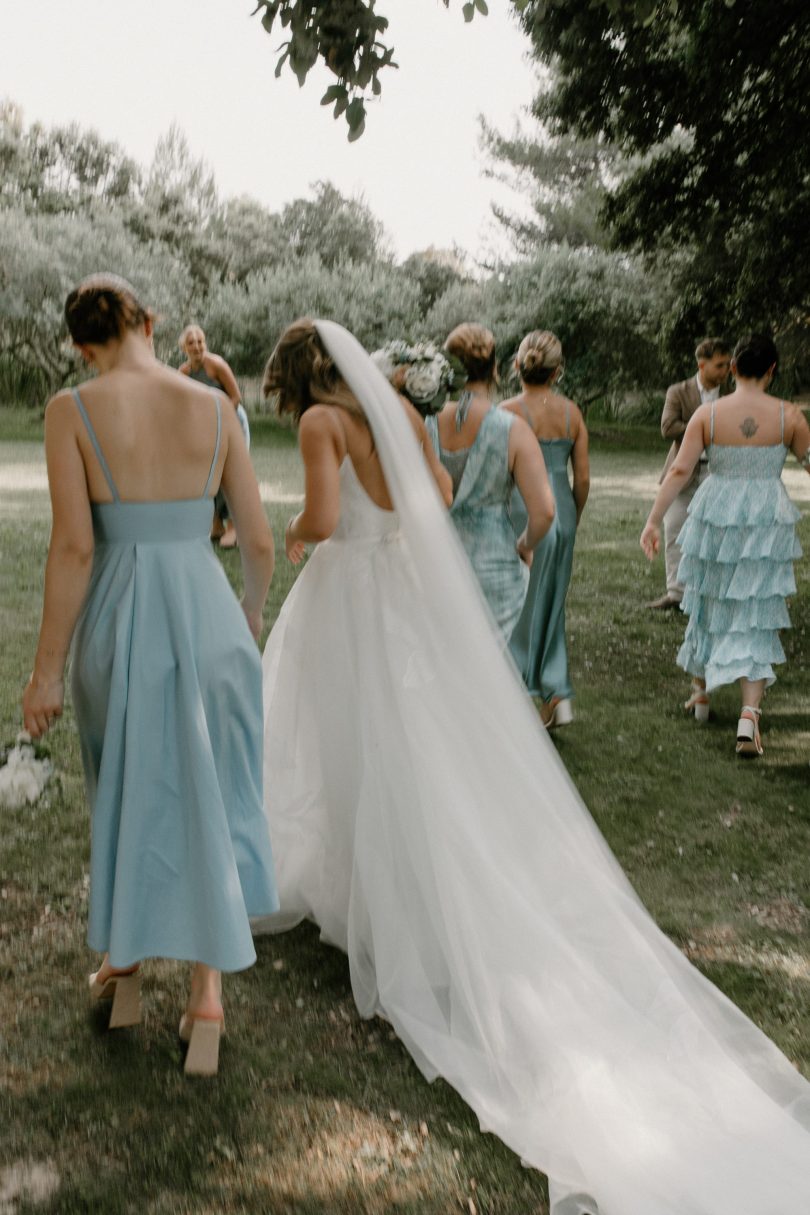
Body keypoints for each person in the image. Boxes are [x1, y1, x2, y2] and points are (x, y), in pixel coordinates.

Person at [257, 318, 810, 1215]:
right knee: (411, 745)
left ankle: (379, 898)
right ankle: (390, 887)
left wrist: (297, 533)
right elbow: (433, 492)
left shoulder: (323, 424)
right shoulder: (399, 406)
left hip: (352, 590)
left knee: (345, 742)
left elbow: (323, 517)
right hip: (401, 586)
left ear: (295, 378)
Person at [22, 275, 279, 1075]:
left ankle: (125, 966)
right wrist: (251, 613)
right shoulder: (214, 405)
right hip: (207, 614)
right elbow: (259, 537)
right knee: (214, 791)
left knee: (130, 787)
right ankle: (207, 998)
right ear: (149, 321)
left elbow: (73, 548)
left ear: (80, 343)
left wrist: (45, 675)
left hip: (122, 619)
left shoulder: (73, 409)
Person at [641, 332, 808, 756]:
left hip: (715, 510)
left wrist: (654, 519)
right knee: (753, 610)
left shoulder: (708, 415)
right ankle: (749, 716)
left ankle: (700, 693)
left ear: (732, 368)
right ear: (772, 371)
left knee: (707, 597)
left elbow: (679, 471)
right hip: (765, 518)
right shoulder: (790, 415)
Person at [424, 323, 554, 638]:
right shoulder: (512, 429)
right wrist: (525, 545)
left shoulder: (423, 423)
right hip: (492, 570)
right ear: (495, 367)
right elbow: (545, 513)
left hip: (432, 564)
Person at [502, 331, 589, 726]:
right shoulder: (572, 413)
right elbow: (582, 478)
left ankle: (524, 691)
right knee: (552, 601)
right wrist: (572, 513)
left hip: (523, 507)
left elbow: (498, 468)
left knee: (521, 602)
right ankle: (555, 690)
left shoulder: (505, 411)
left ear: (517, 366)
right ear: (558, 372)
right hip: (562, 507)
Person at [648, 337, 731, 614]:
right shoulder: (679, 391)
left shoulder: (732, 391)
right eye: (720, 365)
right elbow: (667, 427)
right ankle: (676, 593)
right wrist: (703, 426)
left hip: (718, 471)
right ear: (702, 365)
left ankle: (712, 593)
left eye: (728, 364)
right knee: (674, 528)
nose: (726, 370)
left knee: (715, 532)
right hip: (684, 468)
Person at [179, 324, 250, 549]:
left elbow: (236, 397)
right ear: (184, 348)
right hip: (207, 429)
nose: (197, 346)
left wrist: (220, 424)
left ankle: (234, 528)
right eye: (191, 342)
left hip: (232, 422)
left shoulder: (216, 365)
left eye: (200, 341)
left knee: (230, 475)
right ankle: (216, 525)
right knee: (210, 476)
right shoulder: (183, 373)